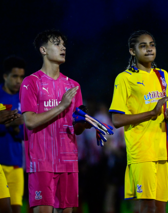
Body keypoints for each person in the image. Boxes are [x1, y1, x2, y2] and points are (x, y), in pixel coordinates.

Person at [109, 30, 168, 213]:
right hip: (141, 152)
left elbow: (167, 113)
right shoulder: (125, 78)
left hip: (163, 152)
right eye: (143, 46)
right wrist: (151, 113)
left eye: (152, 45)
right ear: (132, 51)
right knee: (147, 207)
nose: (149, 49)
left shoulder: (163, 75)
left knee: (160, 208)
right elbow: (117, 120)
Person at [20, 30, 90, 213]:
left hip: (68, 161)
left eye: (64, 44)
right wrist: (61, 106)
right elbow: (29, 121)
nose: (63, 47)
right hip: (41, 162)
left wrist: (85, 124)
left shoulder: (74, 86)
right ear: (43, 50)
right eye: (57, 44)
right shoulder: (30, 83)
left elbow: (76, 127)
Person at [0, 56, 25, 213]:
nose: (18, 81)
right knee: (5, 209)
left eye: (21, 77)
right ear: (5, 76)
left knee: (16, 210)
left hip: (16, 162)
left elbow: (26, 132)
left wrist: (17, 128)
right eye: (15, 76)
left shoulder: (24, 99)